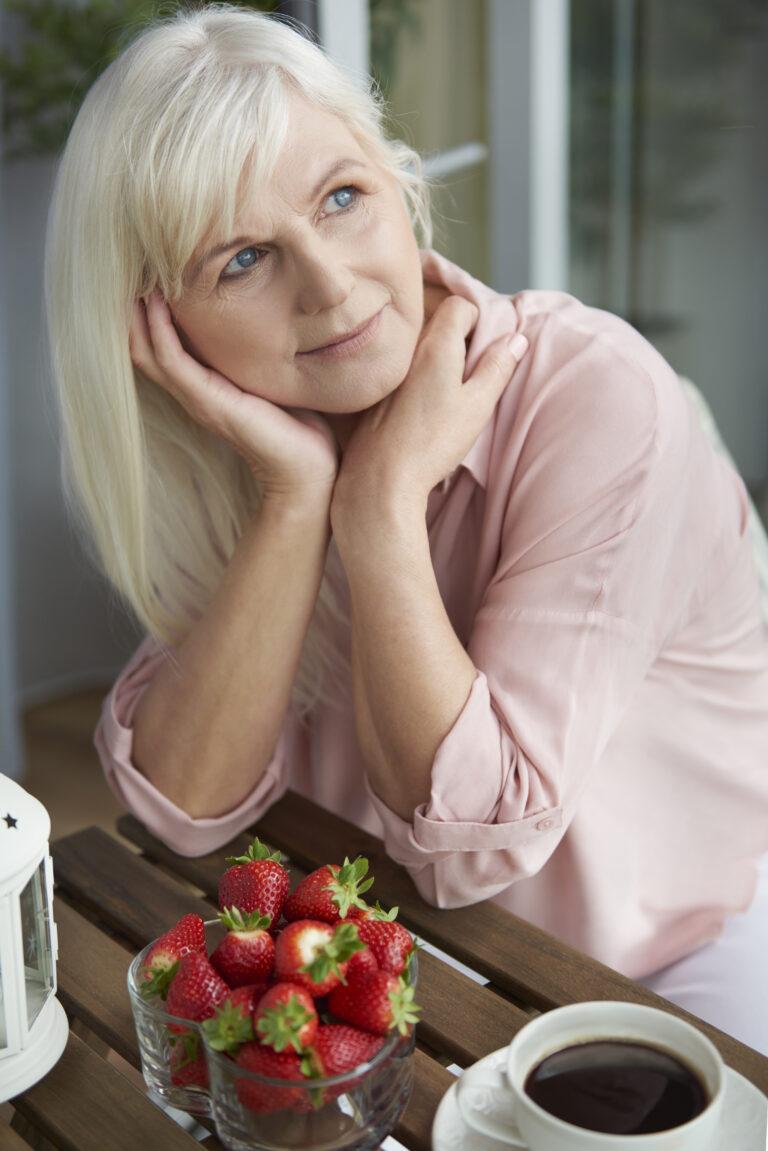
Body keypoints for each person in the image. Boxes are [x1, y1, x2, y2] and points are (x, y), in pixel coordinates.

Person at [46, 4, 768, 1052]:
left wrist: (378, 509)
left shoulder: (591, 396)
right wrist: (302, 497)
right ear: (159, 327)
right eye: (243, 259)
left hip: (671, 964)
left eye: (342, 198)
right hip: (400, 963)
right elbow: (184, 809)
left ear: (401, 189)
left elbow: (480, 844)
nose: (331, 285)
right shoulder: (261, 447)